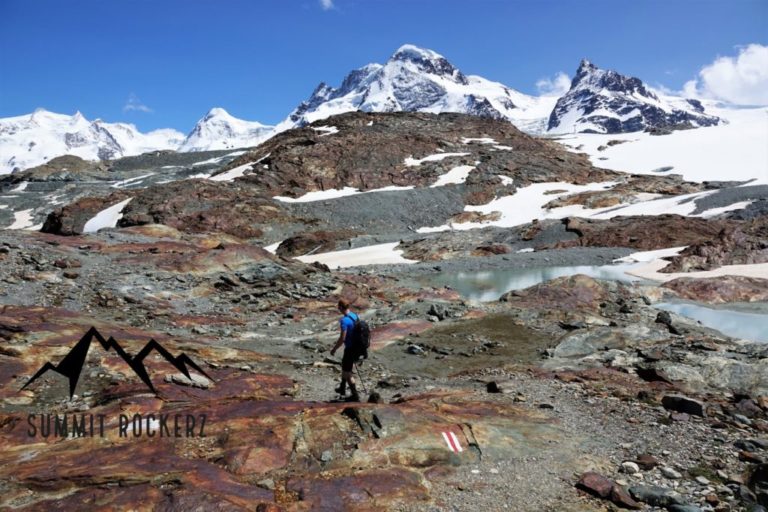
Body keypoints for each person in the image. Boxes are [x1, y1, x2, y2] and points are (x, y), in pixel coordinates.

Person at [329, 298, 361, 401]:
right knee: (345, 367)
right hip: (357, 348)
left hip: (350, 349)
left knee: (348, 373)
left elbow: (342, 338)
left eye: (339, 307)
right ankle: (342, 388)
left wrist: (334, 349)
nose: (338, 309)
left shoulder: (344, 320)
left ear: (342, 307)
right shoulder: (355, 316)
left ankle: (355, 395)